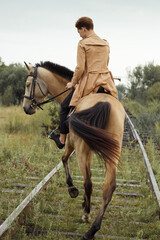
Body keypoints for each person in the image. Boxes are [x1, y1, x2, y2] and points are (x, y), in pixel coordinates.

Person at [49, 16, 118, 149]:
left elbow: (80, 68)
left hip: (90, 82)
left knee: (64, 106)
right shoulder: (105, 43)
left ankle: (62, 139)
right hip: (106, 81)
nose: (80, 35)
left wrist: (73, 82)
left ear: (84, 29)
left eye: (79, 32)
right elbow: (106, 63)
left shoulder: (83, 44)